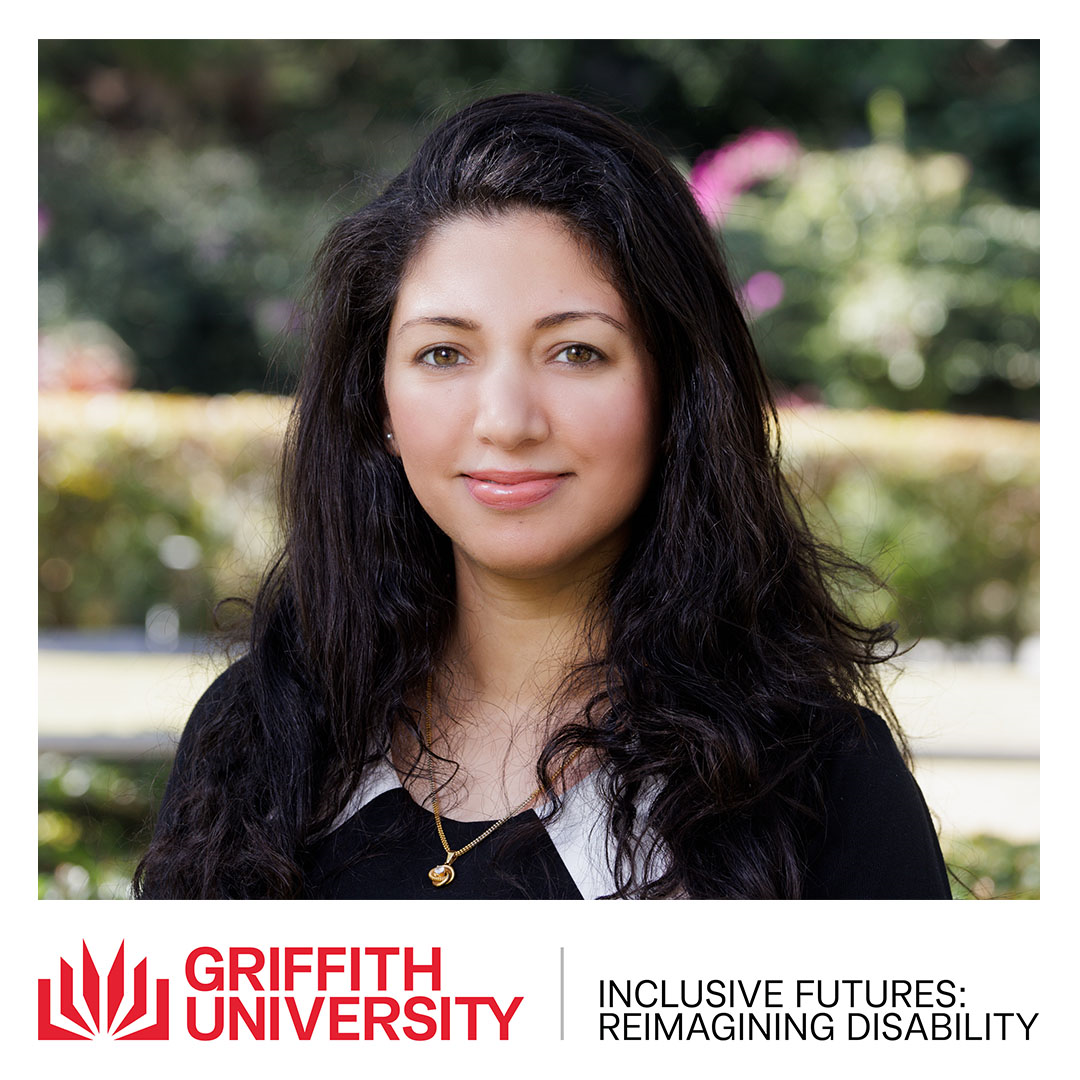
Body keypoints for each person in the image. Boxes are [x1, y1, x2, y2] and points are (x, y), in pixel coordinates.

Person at [134, 92, 950, 900]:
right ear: (377, 404)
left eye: (576, 352)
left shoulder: (820, 782)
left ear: (675, 393)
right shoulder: (260, 738)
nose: (507, 422)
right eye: (445, 354)